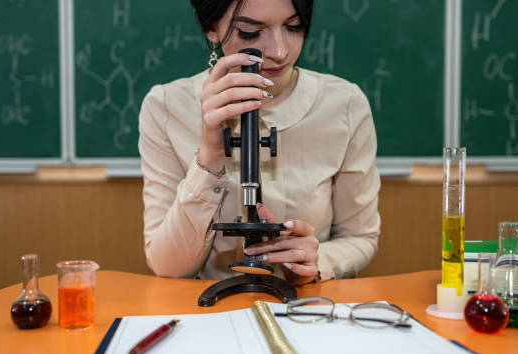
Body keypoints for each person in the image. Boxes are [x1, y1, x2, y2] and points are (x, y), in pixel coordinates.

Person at [139, 0, 380, 285]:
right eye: (250, 32)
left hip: (304, 312)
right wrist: (211, 154)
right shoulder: (166, 108)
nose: (279, 52)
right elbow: (168, 266)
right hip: (211, 316)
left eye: (294, 26)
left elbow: (361, 237)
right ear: (210, 29)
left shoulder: (345, 105)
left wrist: (318, 261)